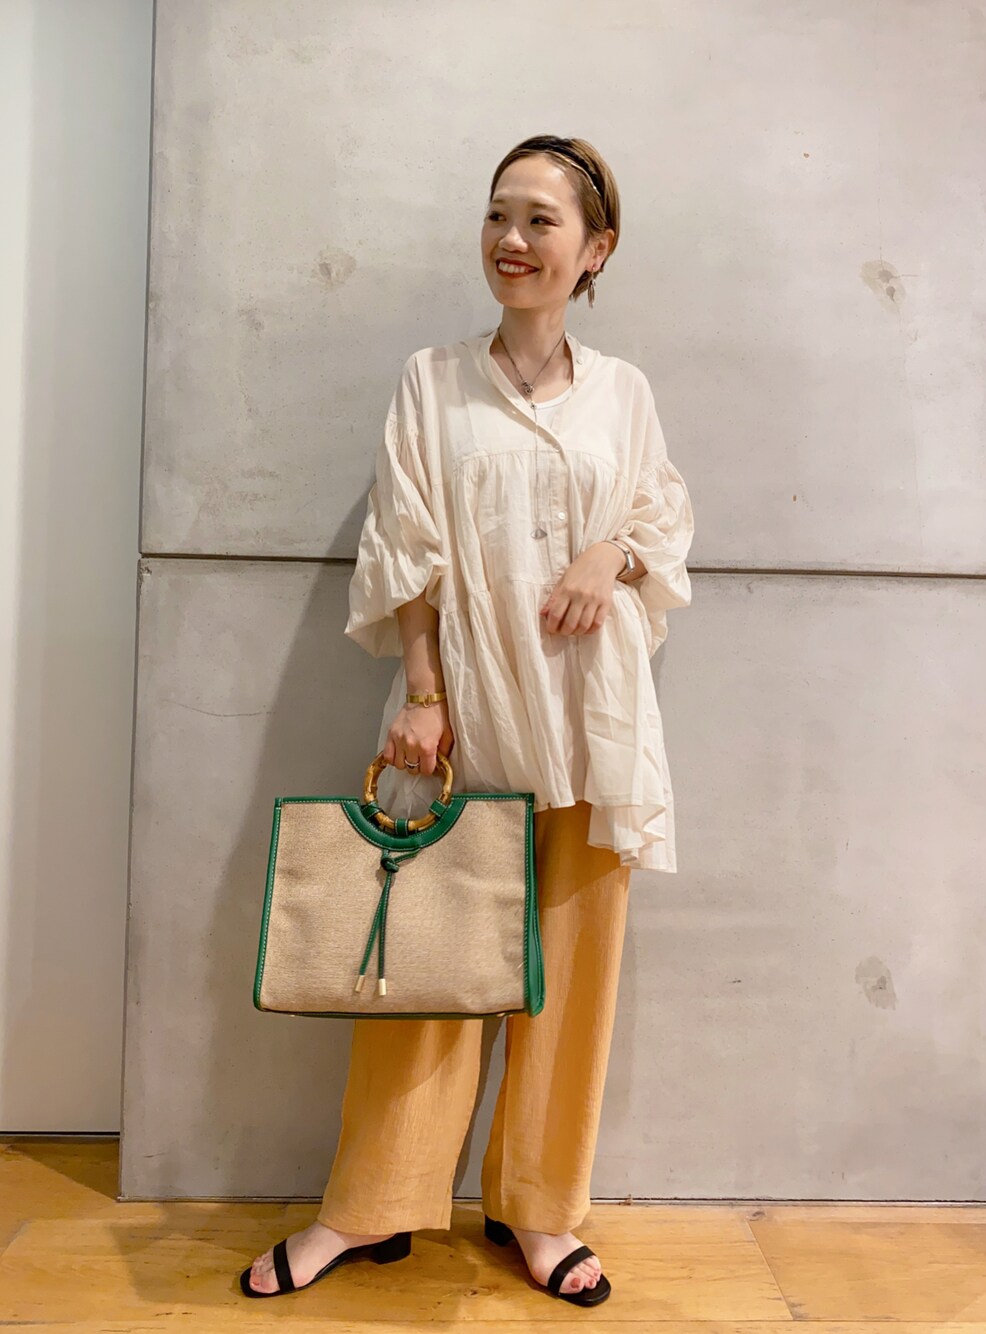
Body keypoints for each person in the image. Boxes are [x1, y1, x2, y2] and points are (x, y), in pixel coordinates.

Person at [241, 134, 694, 1305]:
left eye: (541, 220)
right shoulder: (432, 380)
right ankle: (368, 1206)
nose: (511, 239)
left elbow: (662, 518)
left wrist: (611, 549)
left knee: (570, 984)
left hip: (591, 719)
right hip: (468, 713)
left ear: (595, 249)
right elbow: (406, 540)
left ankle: (538, 1212)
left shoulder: (624, 393)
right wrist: (424, 694)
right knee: (425, 976)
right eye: (498, 214)